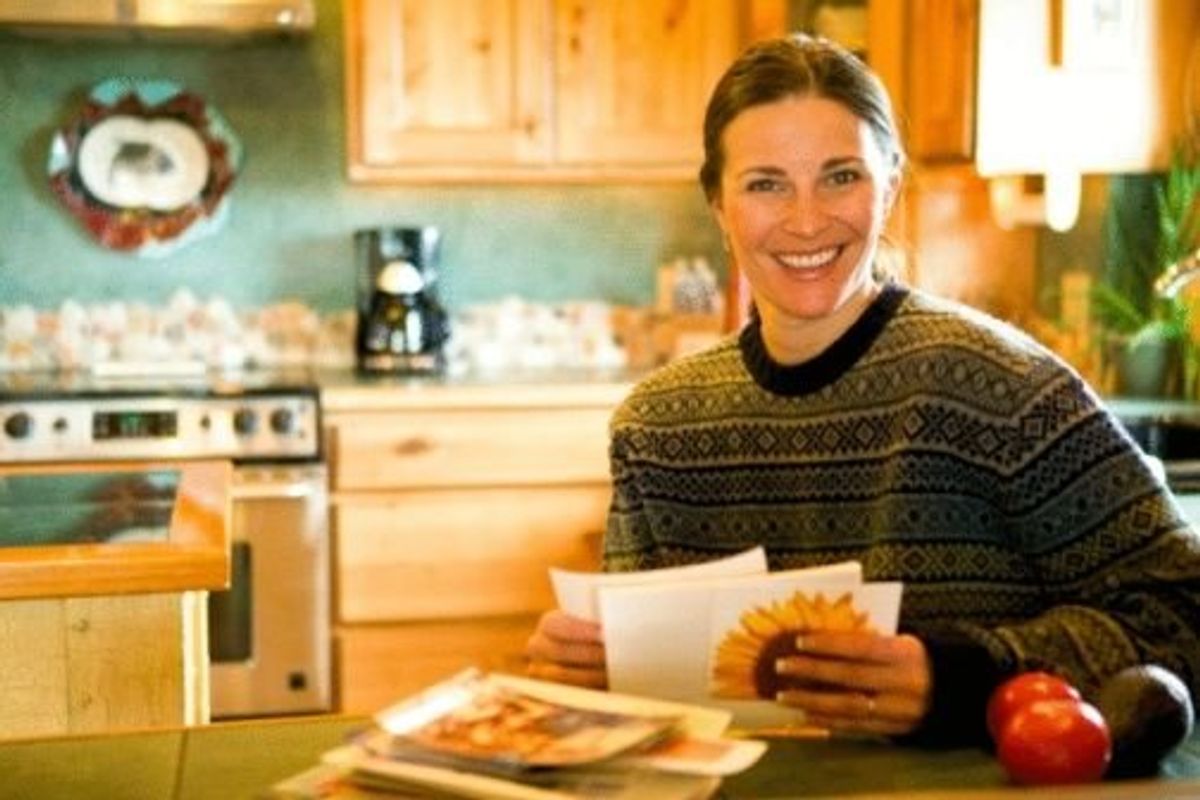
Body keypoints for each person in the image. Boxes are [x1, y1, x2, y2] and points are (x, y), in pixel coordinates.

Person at [525, 33, 1200, 745]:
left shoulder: (1000, 388)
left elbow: (1182, 614)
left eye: (841, 176)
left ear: (892, 186)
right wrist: (591, 677)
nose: (807, 219)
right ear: (719, 205)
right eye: (766, 184)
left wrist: (963, 676)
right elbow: (650, 706)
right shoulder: (657, 427)